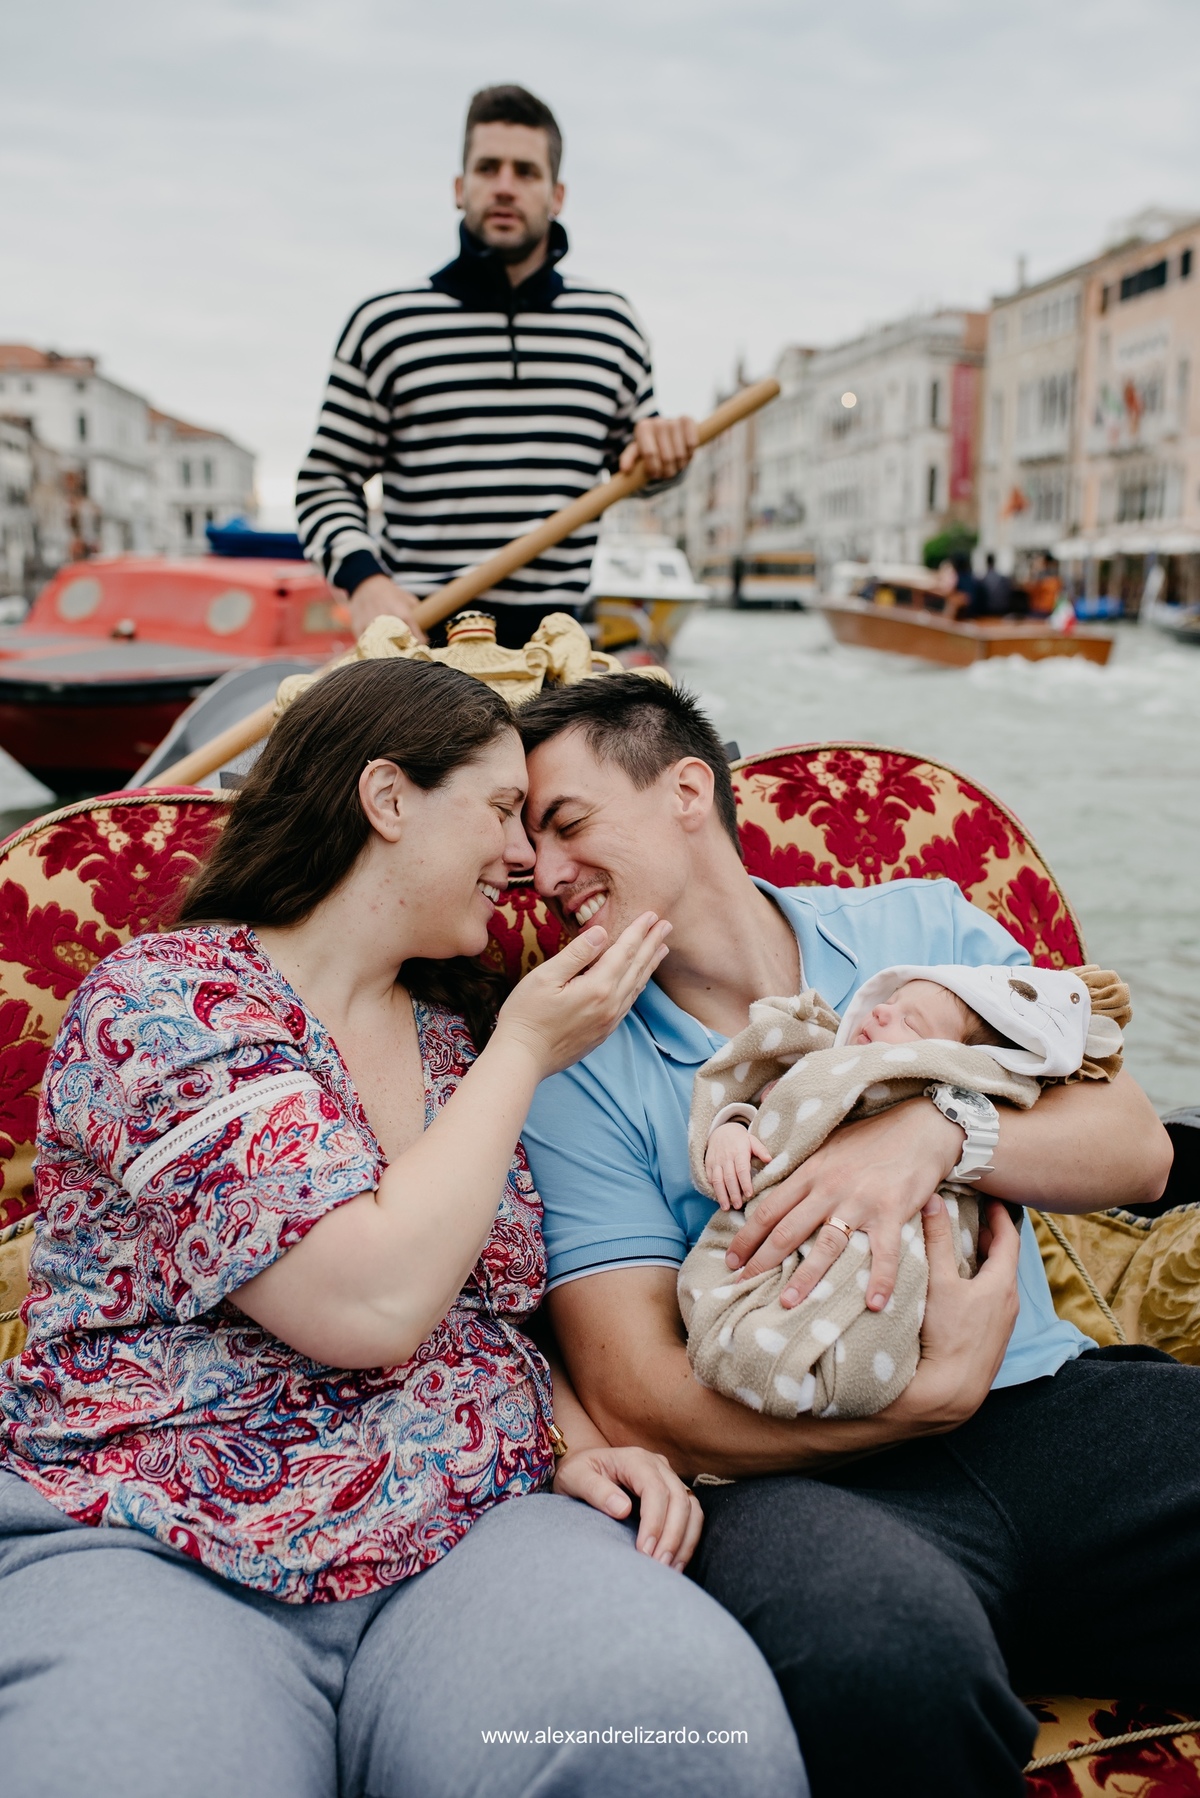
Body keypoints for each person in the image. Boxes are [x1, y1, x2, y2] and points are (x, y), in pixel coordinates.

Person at [0, 659, 805, 1798]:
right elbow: (367, 1304)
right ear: (386, 799)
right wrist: (528, 1049)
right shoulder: (168, 1002)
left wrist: (577, 1440)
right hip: (157, 1535)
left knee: (676, 1739)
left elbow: (492, 1312)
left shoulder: (453, 1039)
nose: (526, 859)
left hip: (475, 1539)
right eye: (496, 811)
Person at [513, 672, 1191, 1798]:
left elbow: (1137, 1147)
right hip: (803, 1481)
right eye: (529, 846)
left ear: (688, 789)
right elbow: (634, 1390)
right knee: (878, 1661)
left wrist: (936, 1133)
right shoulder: (573, 1065)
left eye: (569, 824)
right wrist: (924, 1404)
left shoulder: (920, 925)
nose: (544, 876)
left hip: (1059, 1409)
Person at [296, 84, 697, 648]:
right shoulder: (387, 325)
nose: (505, 186)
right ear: (461, 188)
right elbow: (325, 481)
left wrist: (667, 452)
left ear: (556, 195)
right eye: (489, 168)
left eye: (526, 172)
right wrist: (365, 582)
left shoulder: (611, 326)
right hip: (423, 647)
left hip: (555, 648)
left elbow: (641, 467)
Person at [684, 964, 1127, 1422]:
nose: (879, 1013)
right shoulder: (816, 1068)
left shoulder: (967, 1099)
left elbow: (1142, 1159)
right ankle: (772, 1357)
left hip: (996, 1351)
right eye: (887, 1004)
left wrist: (942, 1130)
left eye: (909, 1022)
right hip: (781, 1246)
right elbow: (767, 1114)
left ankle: (833, 1369)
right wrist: (731, 1129)